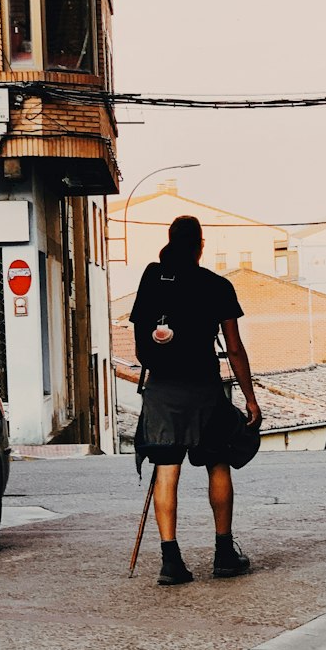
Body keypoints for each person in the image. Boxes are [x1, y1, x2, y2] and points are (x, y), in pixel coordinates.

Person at [131, 214, 262, 585]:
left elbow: (141, 343)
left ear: (169, 240)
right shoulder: (217, 285)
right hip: (205, 390)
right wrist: (250, 399)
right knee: (217, 463)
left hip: (162, 392)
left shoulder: (150, 278)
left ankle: (171, 561)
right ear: (200, 246)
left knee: (166, 471)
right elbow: (234, 349)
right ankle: (224, 553)